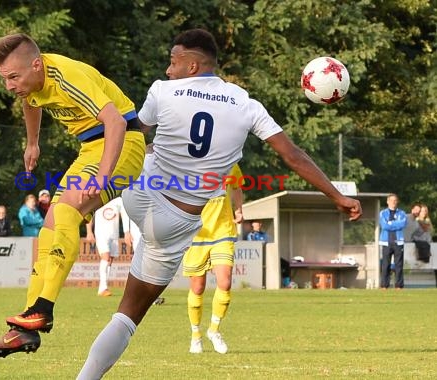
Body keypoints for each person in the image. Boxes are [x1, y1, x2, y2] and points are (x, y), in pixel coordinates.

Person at [77, 28, 362, 378]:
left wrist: (99, 171)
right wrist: (338, 197)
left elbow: (132, 138)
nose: (168, 70)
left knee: (133, 143)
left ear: (193, 66)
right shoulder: (246, 104)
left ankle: (67, 218)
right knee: (126, 317)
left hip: (141, 194)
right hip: (176, 224)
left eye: (173, 61)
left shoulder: (161, 91)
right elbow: (293, 156)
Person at [0, 33, 145, 357]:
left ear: (37, 65)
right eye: (5, 79)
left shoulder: (66, 77)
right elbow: (30, 102)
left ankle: (43, 308)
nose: (10, 86)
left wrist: (104, 174)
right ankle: (24, 329)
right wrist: (32, 142)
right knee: (49, 228)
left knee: (68, 208)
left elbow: (115, 121)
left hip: (123, 144)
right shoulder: (33, 84)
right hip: (92, 147)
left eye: (14, 77)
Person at [183, 163, 243, 355]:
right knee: (197, 287)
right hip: (197, 234)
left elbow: (237, 185)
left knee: (225, 283)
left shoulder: (230, 162)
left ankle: (214, 330)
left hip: (223, 231)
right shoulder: (188, 165)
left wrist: (238, 209)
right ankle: (196, 335)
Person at [85, 197, 132, 297]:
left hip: (114, 235)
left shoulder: (119, 200)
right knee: (105, 257)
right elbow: (89, 215)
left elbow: (125, 215)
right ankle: (103, 287)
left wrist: (126, 232)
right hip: (101, 234)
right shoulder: (99, 197)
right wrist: (89, 232)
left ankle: (104, 286)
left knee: (110, 260)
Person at [379, 193, 407, 290]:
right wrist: (395, 224)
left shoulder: (402, 213)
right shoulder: (383, 213)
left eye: (395, 201)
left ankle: (399, 286)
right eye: (391, 200)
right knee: (385, 264)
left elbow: (402, 224)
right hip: (386, 242)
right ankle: (384, 285)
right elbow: (384, 226)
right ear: (387, 202)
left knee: (399, 265)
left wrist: (390, 223)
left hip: (398, 242)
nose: (393, 203)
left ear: (397, 202)